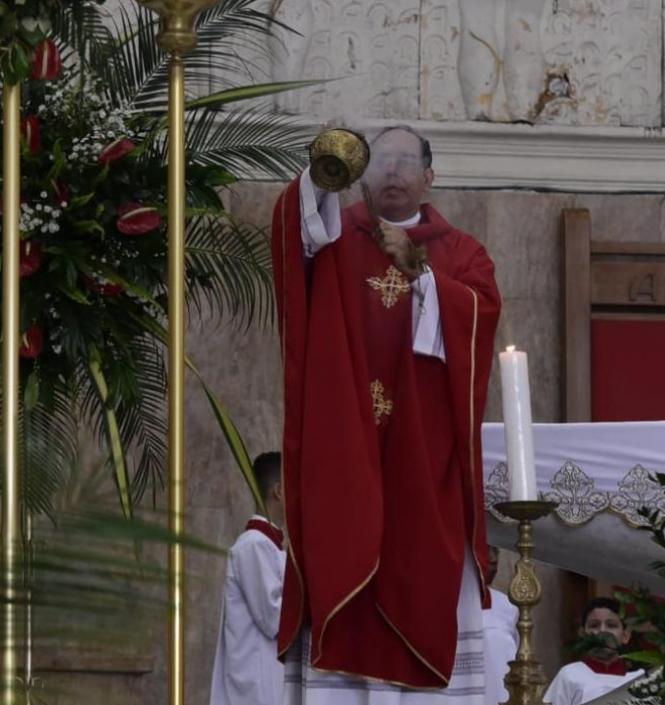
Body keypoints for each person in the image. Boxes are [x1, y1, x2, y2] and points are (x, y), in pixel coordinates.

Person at [272, 125, 503, 703]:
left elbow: (480, 316)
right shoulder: (333, 234)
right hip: (346, 444)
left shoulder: (462, 251)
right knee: (340, 547)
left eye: (406, 162)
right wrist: (323, 173)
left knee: (420, 569)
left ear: (430, 176)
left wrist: (422, 272)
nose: (393, 172)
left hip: (422, 459)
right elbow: (292, 228)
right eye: (381, 161)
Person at [210, 452, 288, 705]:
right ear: (278, 490)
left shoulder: (270, 546)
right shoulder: (253, 545)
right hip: (256, 686)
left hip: (270, 679)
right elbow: (273, 617)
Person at [543, 598, 644, 705]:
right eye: (594, 625)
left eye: (611, 625)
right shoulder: (570, 675)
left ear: (625, 635)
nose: (602, 631)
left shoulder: (640, 678)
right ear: (583, 634)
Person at [482, 546, 518, 705]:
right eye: (485, 549)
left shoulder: (508, 607)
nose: (493, 559)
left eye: (496, 551)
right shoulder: (450, 604)